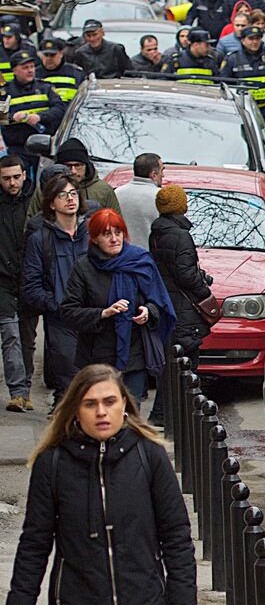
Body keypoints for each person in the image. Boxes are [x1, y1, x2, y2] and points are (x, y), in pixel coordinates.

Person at [2, 363, 196, 605]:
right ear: (76, 408)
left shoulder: (149, 457)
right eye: (90, 404)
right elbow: (34, 546)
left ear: (125, 403)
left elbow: (176, 536)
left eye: (109, 401)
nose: (102, 412)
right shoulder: (53, 464)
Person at [60, 209, 175, 400]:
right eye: (107, 234)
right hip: (97, 357)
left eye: (118, 232)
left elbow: (159, 301)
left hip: (134, 353)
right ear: (95, 239)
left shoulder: (140, 261)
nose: (114, 239)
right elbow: (68, 311)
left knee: (131, 413)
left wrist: (147, 311)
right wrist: (103, 313)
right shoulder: (83, 267)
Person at [147, 184, 213, 425]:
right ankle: (173, 416)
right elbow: (185, 273)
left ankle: (162, 413)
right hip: (184, 308)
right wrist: (203, 289)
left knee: (173, 362)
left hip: (169, 303)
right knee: (187, 363)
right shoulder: (180, 235)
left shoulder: (158, 232)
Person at [23, 174, 88, 405]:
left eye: (73, 194)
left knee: (94, 382)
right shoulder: (40, 240)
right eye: (62, 195)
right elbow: (30, 287)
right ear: (52, 203)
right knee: (69, 382)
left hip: (94, 318)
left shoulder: (91, 235)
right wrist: (56, 304)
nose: (70, 200)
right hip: (62, 320)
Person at [0, 155, 32, 411]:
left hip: (29, 279)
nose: (12, 183)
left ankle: (26, 389)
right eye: (6, 178)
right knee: (11, 333)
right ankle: (18, 390)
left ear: (24, 175)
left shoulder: (34, 203)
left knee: (26, 336)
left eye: (16, 177)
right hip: (3, 280)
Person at [3, 49, 66, 175]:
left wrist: (40, 117)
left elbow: (60, 109)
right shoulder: (5, 92)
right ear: (14, 70)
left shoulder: (45, 87)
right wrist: (12, 118)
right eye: (25, 67)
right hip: (18, 148)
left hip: (45, 149)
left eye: (32, 66)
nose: (30, 70)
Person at [48, 140, 120, 217]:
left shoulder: (103, 190)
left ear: (86, 166)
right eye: (68, 166)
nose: (73, 171)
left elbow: (116, 223)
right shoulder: (47, 188)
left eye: (78, 165)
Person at [112, 154, 163, 251]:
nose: (163, 175)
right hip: (150, 258)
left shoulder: (117, 193)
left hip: (121, 256)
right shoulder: (161, 197)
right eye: (162, 170)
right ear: (153, 175)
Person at [35, 37, 84, 104]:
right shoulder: (34, 75)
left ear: (61, 54)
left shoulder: (76, 73)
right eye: (46, 55)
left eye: (52, 55)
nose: (49, 58)